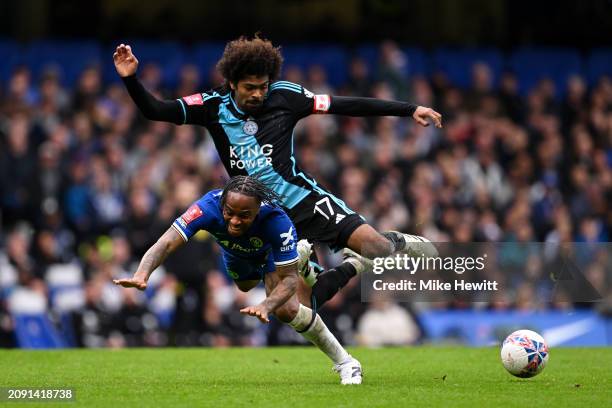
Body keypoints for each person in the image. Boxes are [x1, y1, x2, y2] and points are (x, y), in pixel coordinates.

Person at [114, 36, 440, 302]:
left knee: (379, 250)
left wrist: (409, 109)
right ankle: (333, 275)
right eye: (249, 87)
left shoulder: (287, 95)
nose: (258, 93)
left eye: (263, 86)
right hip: (263, 214)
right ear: (231, 83)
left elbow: (346, 104)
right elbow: (156, 110)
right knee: (303, 303)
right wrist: (130, 79)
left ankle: (380, 248)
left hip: (304, 199)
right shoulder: (211, 106)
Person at [113, 176, 363, 385]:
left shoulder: (277, 222)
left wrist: (267, 305)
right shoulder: (206, 207)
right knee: (245, 285)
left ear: (257, 211)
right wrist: (142, 273)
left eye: (244, 215)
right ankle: (302, 259)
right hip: (235, 255)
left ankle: (346, 362)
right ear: (222, 204)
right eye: (229, 213)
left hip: (269, 255)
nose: (234, 220)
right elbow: (166, 242)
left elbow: (288, 281)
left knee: (286, 311)